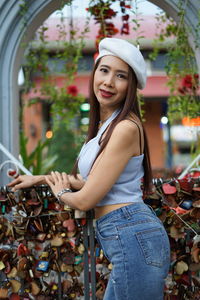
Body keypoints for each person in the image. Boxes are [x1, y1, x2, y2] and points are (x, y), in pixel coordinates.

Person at [8, 38, 170, 300]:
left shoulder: (125, 128)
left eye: (120, 76)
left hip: (134, 238)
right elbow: (91, 181)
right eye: (104, 70)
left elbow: (86, 198)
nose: (108, 82)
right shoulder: (107, 127)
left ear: (131, 86)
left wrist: (60, 193)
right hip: (131, 237)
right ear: (94, 73)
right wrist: (40, 178)